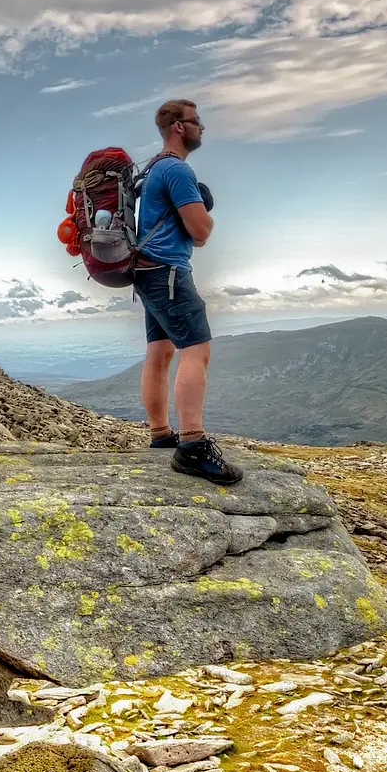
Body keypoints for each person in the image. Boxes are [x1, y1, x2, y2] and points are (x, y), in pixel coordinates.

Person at [133, 99, 242, 485]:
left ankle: (161, 433)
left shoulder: (150, 171)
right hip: (169, 273)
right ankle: (192, 447)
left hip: (146, 273)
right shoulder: (177, 170)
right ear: (178, 127)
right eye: (197, 121)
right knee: (196, 350)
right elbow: (200, 232)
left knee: (159, 351)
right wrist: (204, 216)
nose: (202, 127)